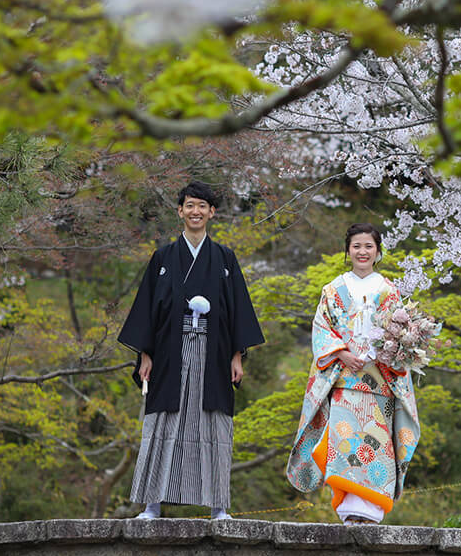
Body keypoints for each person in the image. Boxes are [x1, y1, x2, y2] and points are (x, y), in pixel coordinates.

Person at [118, 181, 264, 520]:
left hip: (214, 353)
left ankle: (218, 507)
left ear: (212, 213)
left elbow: (236, 309)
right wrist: (145, 354)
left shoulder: (225, 258)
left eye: (202, 206)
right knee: (163, 420)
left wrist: (237, 355)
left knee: (213, 423)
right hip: (170, 350)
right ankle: (152, 504)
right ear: (180, 211)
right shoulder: (164, 258)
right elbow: (147, 311)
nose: (195, 211)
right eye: (189, 205)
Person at [286, 223, 420, 524]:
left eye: (368, 246)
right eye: (356, 246)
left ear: (378, 251)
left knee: (375, 444)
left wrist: (381, 352)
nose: (362, 252)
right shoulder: (333, 290)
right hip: (345, 380)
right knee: (346, 442)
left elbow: (399, 335)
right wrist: (343, 353)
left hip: (378, 381)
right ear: (348, 250)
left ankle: (371, 510)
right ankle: (348, 510)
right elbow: (322, 328)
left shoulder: (389, 291)